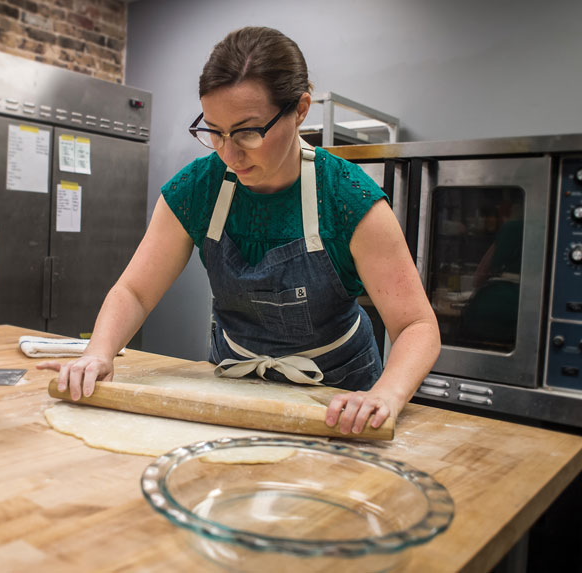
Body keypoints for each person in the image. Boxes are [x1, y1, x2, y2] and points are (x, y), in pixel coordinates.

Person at [38, 26, 440, 435]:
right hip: (234, 390)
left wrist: (386, 395)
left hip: (338, 401)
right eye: (214, 130)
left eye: (248, 131)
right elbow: (135, 292)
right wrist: (98, 353)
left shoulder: (346, 197)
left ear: (300, 110)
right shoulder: (199, 188)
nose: (229, 153)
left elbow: (416, 326)